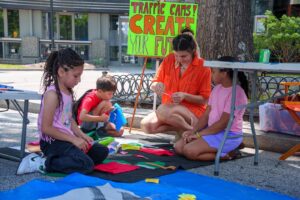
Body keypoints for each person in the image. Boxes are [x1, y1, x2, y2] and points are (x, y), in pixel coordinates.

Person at [17, 48, 108, 175]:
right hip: (52, 142)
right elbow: (46, 128)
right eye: (76, 76)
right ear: (61, 72)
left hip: (66, 139)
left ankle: (70, 158)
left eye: (80, 76)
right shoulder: (52, 95)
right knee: (86, 165)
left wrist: (82, 136)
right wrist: (73, 140)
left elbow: (69, 119)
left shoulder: (68, 92)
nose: (79, 80)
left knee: (102, 151)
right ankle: (41, 163)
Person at [174, 56, 249, 161]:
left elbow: (223, 123)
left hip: (227, 134)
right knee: (178, 147)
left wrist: (199, 135)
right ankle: (222, 150)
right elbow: (206, 115)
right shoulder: (217, 89)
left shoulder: (237, 93)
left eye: (213, 72)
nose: (211, 75)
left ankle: (227, 155)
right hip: (213, 131)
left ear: (224, 73)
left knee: (189, 151)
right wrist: (193, 131)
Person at [140, 34, 211, 136]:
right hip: (168, 109)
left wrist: (185, 96)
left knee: (163, 110)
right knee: (146, 125)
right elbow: (154, 82)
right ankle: (187, 130)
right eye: (176, 55)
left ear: (193, 52)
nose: (179, 59)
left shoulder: (203, 67)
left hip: (193, 111)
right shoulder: (169, 59)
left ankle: (193, 131)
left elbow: (204, 100)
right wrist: (156, 85)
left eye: (183, 56)